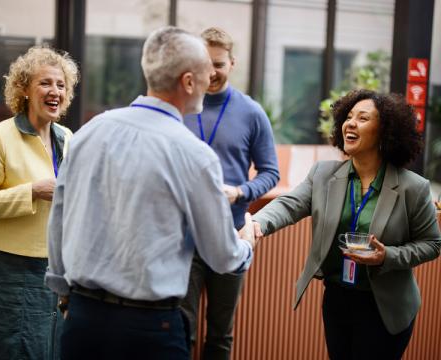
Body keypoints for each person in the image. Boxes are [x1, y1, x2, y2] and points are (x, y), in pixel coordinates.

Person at [45, 26, 256, 360]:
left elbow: (58, 217)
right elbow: (222, 257)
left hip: (82, 322)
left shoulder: (90, 132)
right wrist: (246, 242)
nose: (209, 81)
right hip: (150, 330)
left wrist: (65, 296)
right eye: (204, 74)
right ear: (188, 82)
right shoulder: (195, 155)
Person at [250, 89, 441, 360]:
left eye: (363, 118)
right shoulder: (323, 174)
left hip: (385, 307)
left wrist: (387, 256)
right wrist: (257, 224)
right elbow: (289, 204)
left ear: (385, 131)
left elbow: (432, 244)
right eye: (348, 117)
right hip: (338, 299)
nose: (350, 123)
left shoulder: (414, 187)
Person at [0, 46, 79, 360]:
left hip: (54, 269)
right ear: (23, 89)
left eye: (61, 85)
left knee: (51, 351)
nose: (55, 90)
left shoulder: (68, 137)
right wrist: (31, 191)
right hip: (8, 270)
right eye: (45, 83)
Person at [181, 27, 279, 360]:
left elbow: (271, 173)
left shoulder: (251, 112)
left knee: (221, 335)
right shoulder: (179, 105)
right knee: (182, 327)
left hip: (232, 233)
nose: (212, 71)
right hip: (184, 237)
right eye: (205, 62)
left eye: (219, 64)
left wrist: (240, 192)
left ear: (232, 63)